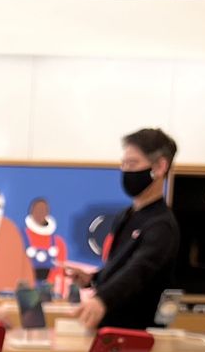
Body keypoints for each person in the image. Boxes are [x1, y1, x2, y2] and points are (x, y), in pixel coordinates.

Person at [71, 128, 180, 331]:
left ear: (160, 167)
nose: (126, 170)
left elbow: (138, 271)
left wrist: (102, 299)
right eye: (124, 163)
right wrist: (93, 279)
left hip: (137, 333)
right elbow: (120, 265)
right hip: (107, 329)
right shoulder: (125, 215)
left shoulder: (161, 225)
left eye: (133, 164)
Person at [24, 197, 70, 297]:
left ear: (47, 213)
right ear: (31, 212)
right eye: (37, 210)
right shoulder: (20, 239)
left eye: (43, 210)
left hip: (50, 293)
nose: (40, 213)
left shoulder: (58, 243)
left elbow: (61, 272)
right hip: (26, 291)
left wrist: (57, 294)